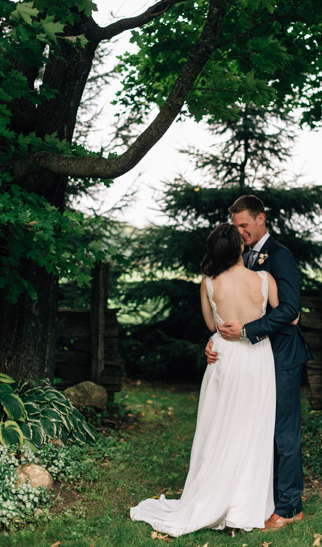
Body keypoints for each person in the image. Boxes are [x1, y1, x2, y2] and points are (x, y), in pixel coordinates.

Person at [130, 223, 279, 536]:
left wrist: (214, 340)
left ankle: (215, 499)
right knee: (252, 430)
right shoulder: (264, 280)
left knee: (218, 429)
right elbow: (285, 317)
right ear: (240, 247)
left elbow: (212, 323)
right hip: (256, 355)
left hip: (224, 355)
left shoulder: (209, 283)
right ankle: (240, 511)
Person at [208, 194, 312, 531]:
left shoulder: (279, 256)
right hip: (254, 357)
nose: (240, 233)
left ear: (261, 219)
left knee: (284, 433)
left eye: (245, 225)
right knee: (256, 430)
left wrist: (248, 331)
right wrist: (214, 342)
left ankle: (289, 506)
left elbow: (290, 310)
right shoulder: (241, 258)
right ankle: (261, 496)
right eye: (236, 227)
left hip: (281, 355)